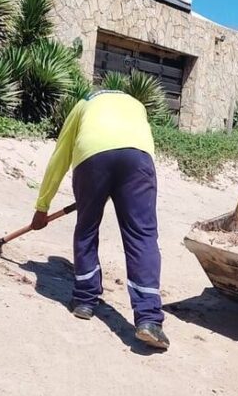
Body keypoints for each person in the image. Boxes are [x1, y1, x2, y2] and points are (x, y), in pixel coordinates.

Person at [31, 89, 169, 350]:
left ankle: (84, 300)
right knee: (143, 236)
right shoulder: (137, 105)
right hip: (138, 159)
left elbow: (60, 156)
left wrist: (42, 207)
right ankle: (149, 319)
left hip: (92, 157)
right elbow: (135, 146)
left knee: (87, 227)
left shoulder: (84, 103)